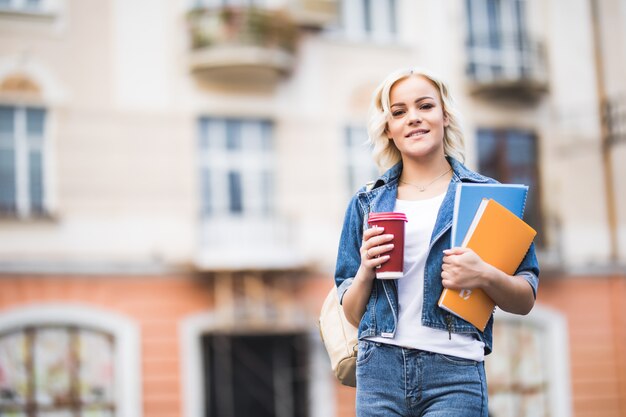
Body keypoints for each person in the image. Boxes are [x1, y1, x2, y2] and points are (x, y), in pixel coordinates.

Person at [334, 67, 539, 417]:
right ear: (388, 129)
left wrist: (484, 274)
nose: (413, 118)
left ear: (444, 116)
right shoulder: (366, 203)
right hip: (378, 371)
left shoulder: (486, 197)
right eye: (398, 112)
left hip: (455, 372)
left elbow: (526, 299)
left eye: (425, 106)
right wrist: (367, 269)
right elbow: (352, 314)